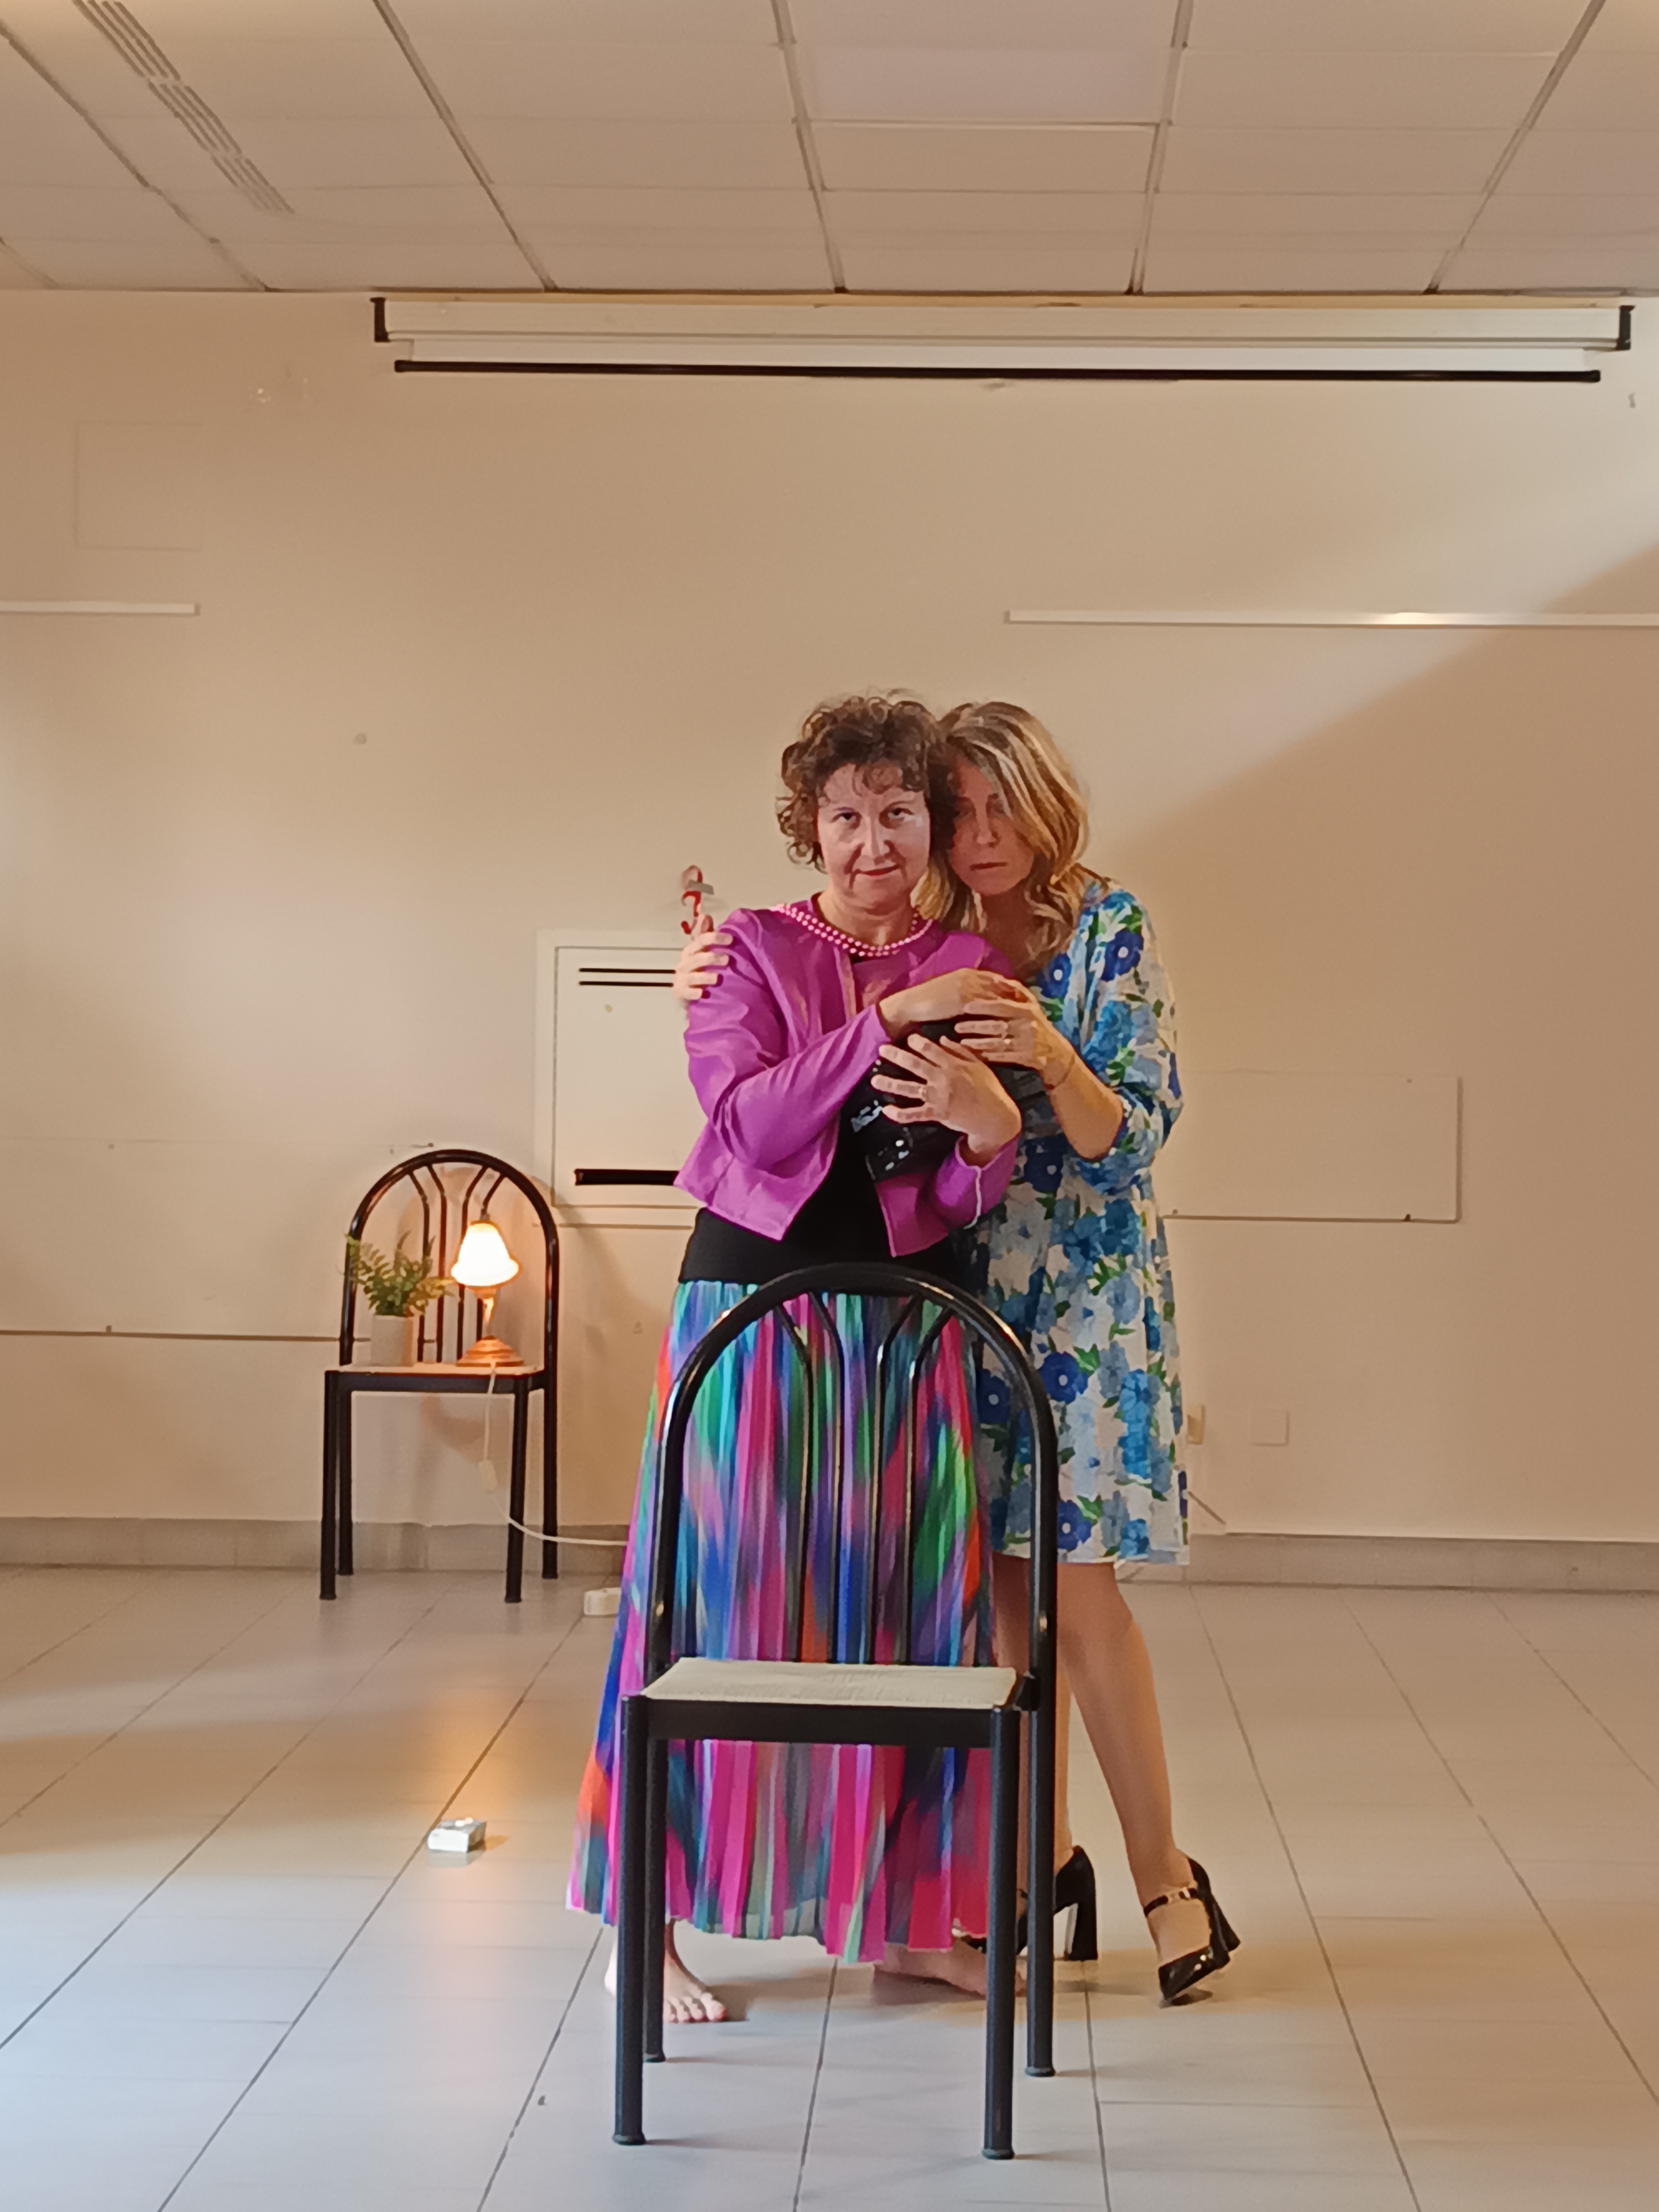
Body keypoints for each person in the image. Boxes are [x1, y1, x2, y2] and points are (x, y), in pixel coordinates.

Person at [677, 700, 1239, 2006]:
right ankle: (1030, 1860)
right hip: (950, 1286)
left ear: (1047, 805)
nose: (979, 834)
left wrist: (1035, 1062)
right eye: (959, 808)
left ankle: (1165, 1876)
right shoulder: (925, 936)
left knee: (1076, 1597)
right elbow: (787, 1077)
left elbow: (1126, 1136)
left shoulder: (1101, 926)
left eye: (999, 807)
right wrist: (705, 966)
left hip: (1081, 1293)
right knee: (973, 1604)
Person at [569, 694, 1024, 2025]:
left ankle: (906, 1923)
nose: (873, 841)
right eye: (846, 815)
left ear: (932, 821)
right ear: (809, 828)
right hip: (751, 1310)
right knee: (709, 1603)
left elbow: (967, 1180)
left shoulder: (975, 960)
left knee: (912, 1612)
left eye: (898, 812)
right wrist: (892, 1020)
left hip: (912, 1317)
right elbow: (751, 1126)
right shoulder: (748, 950)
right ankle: (643, 1925)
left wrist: (988, 1129)